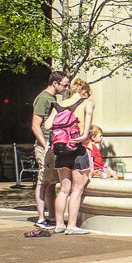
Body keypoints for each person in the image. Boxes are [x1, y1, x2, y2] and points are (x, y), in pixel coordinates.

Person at [44, 78, 94, 235]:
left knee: (64, 189)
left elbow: (47, 125)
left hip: (61, 150)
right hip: (78, 149)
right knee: (77, 190)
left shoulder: (59, 105)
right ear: (84, 91)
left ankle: (59, 224)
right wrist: (82, 135)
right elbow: (85, 132)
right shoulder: (87, 103)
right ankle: (71, 225)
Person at [31, 71, 70, 229]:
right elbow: (35, 125)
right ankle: (41, 217)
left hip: (52, 144)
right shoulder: (43, 98)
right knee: (43, 181)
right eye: (64, 85)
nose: (66, 88)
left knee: (51, 181)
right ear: (55, 83)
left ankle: (52, 216)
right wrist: (44, 144)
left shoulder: (52, 99)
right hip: (45, 146)